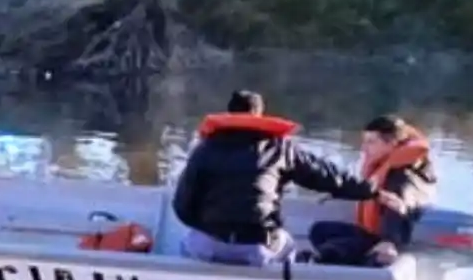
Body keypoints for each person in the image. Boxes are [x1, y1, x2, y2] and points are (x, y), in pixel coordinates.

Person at [172, 90, 404, 267]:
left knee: (186, 243)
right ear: (258, 115)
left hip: (211, 243)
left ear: (229, 114)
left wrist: (207, 228)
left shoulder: (204, 150)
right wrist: (372, 191)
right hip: (258, 247)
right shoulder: (280, 148)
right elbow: (327, 176)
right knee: (289, 247)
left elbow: (181, 205)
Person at [307, 116, 436, 267]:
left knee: (330, 252)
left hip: (384, 241)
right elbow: (369, 190)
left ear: (392, 143)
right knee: (320, 231)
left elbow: (398, 204)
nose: (364, 148)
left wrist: (389, 241)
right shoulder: (389, 164)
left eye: (371, 142)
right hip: (372, 235)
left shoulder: (402, 175)